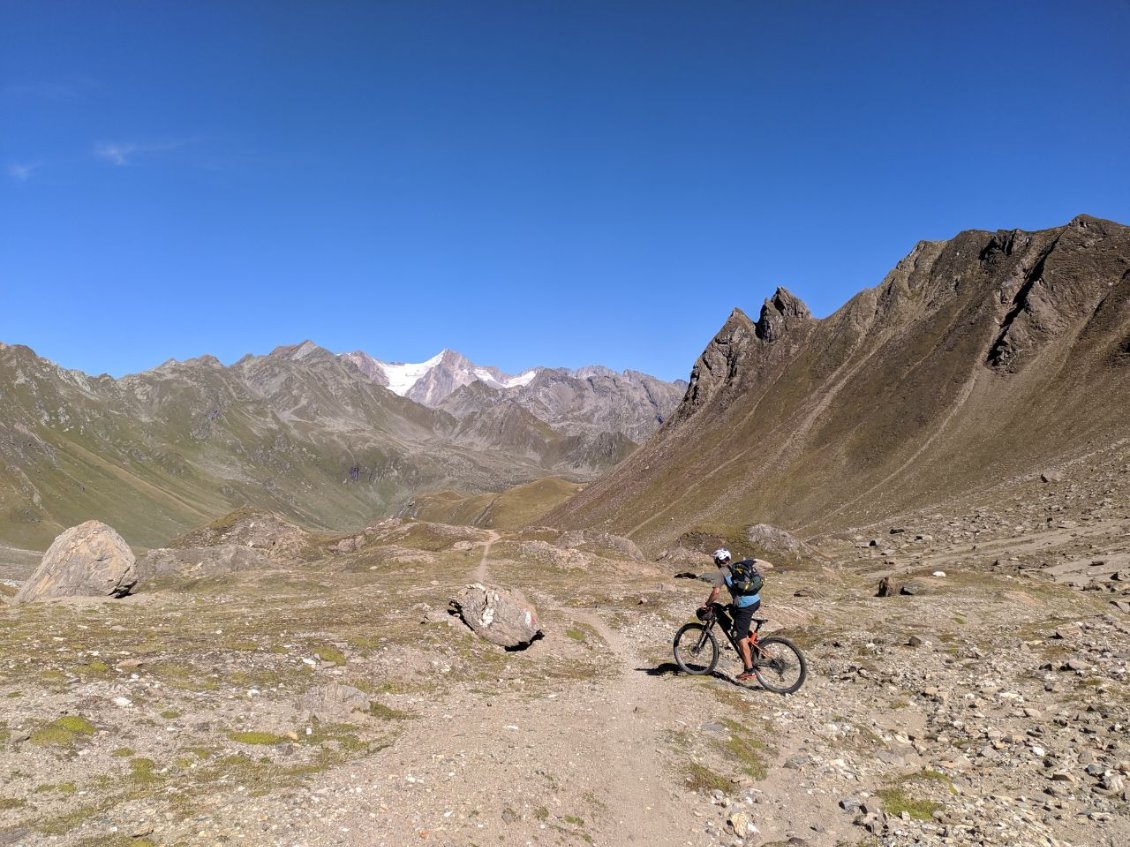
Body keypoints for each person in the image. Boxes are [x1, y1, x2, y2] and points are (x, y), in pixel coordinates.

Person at [700, 547, 762, 682]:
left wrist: (706, 604)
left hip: (745, 605)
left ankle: (749, 670)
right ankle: (752, 642)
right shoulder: (736, 568)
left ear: (717, 561)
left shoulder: (721, 573)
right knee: (734, 613)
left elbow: (716, 593)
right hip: (756, 600)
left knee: (738, 635)